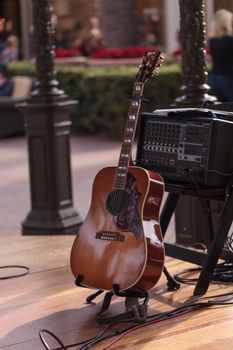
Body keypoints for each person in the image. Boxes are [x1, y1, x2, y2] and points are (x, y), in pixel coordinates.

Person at [208, 9, 233, 102]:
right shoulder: (229, 40)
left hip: (215, 78)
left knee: (222, 110)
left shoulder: (213, 41)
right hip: (229, 79)